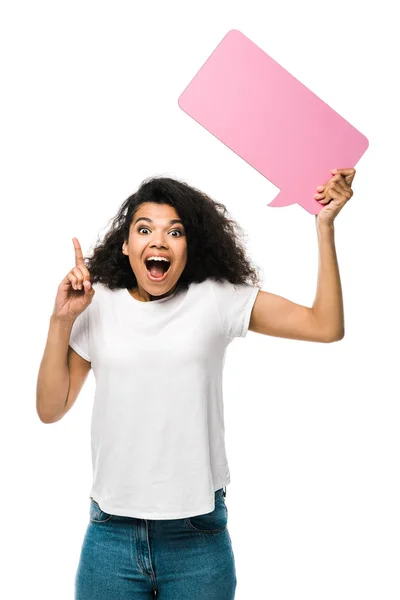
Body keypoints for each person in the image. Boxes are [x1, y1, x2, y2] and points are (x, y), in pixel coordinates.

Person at [36, 168, 356, 599]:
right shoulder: (98, 306)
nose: (158, 241)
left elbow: (325, 325)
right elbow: (50, 409)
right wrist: (62, 321)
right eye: (144, 228)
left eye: (175, 231)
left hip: (196, 538)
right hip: (111, 535)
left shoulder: (216, 300)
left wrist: (324, 227)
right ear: (126, 244)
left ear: (189, 247)